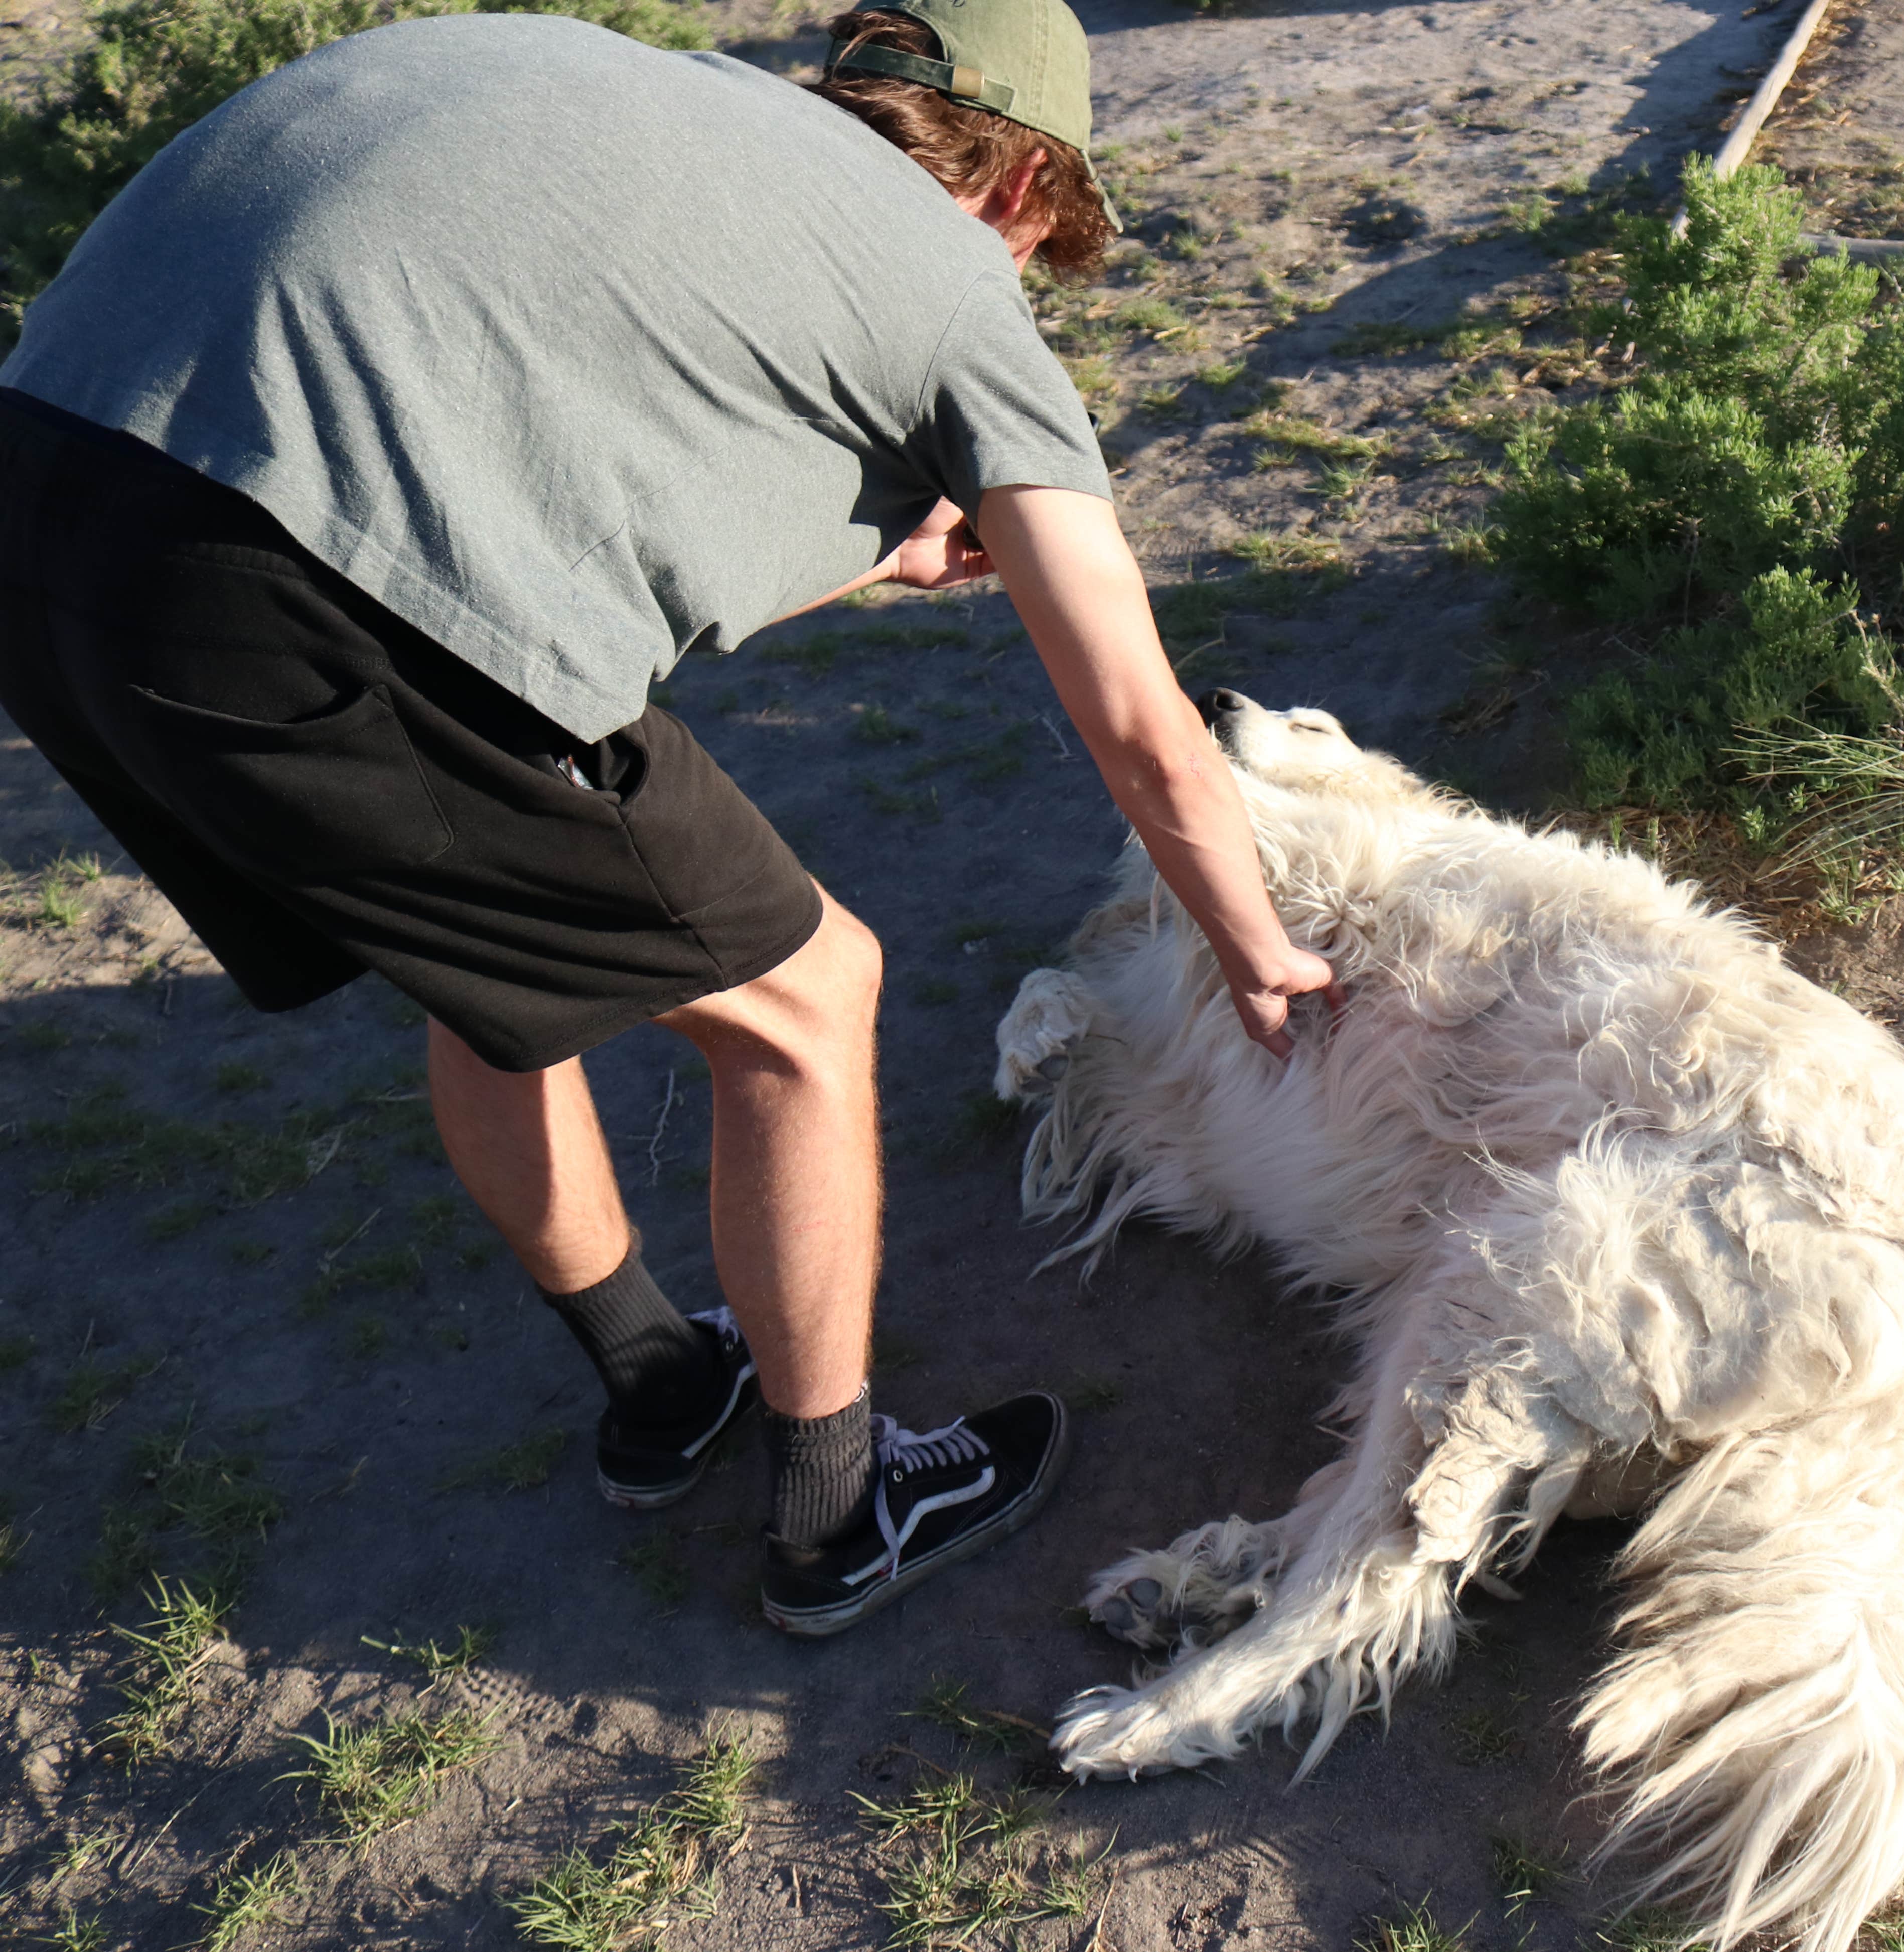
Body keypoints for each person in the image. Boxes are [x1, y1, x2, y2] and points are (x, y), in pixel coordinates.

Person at [0, 0, 1334, 1635]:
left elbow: (564, 535)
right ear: (1023, 192)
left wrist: (889, 558)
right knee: (809, 996)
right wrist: (1262, 952)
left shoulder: (644, 111)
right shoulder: (957, 296)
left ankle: (656, 1379)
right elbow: (1142, 723)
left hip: (49, 495)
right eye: (1051, 241)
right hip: (288, 584)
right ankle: (840, 1513)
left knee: (487, 966)